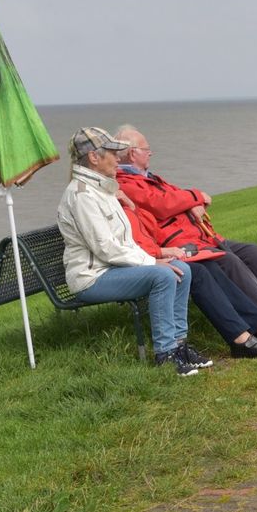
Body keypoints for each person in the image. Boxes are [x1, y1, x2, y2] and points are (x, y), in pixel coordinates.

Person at [113, 126, 257, 333]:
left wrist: (190, 202)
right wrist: (197, 197)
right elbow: (162, 204)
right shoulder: (127, 183)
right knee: (230, 260)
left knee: (252, 251)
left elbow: (172, 196)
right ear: (133, 153)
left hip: (201, 236)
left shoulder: (146, 178)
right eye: (147, 149)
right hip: (180, 244)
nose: (151, 153)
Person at [56, 127, 207, 376]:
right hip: (92, 278)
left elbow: (121, 242)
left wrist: (157, 256)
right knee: (164, 275)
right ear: (94, 158)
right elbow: (105, 248)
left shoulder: (101, 190)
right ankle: (165, 354)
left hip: (113, 268)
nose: (118, 158)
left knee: (182, 269)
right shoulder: (82, 196)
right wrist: (151, 262)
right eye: (113, 153)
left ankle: (180, 346)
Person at [121, 199, 257, 358]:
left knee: (212, 266)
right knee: (199, 271)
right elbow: (159, 205)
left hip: (160, 250)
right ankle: (239, 337)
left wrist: (134, 208)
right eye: (113, 164)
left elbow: (153, 223)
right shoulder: (121, 186)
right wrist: (157, 254)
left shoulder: (131, 188)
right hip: (139, 259)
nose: (114, 165)